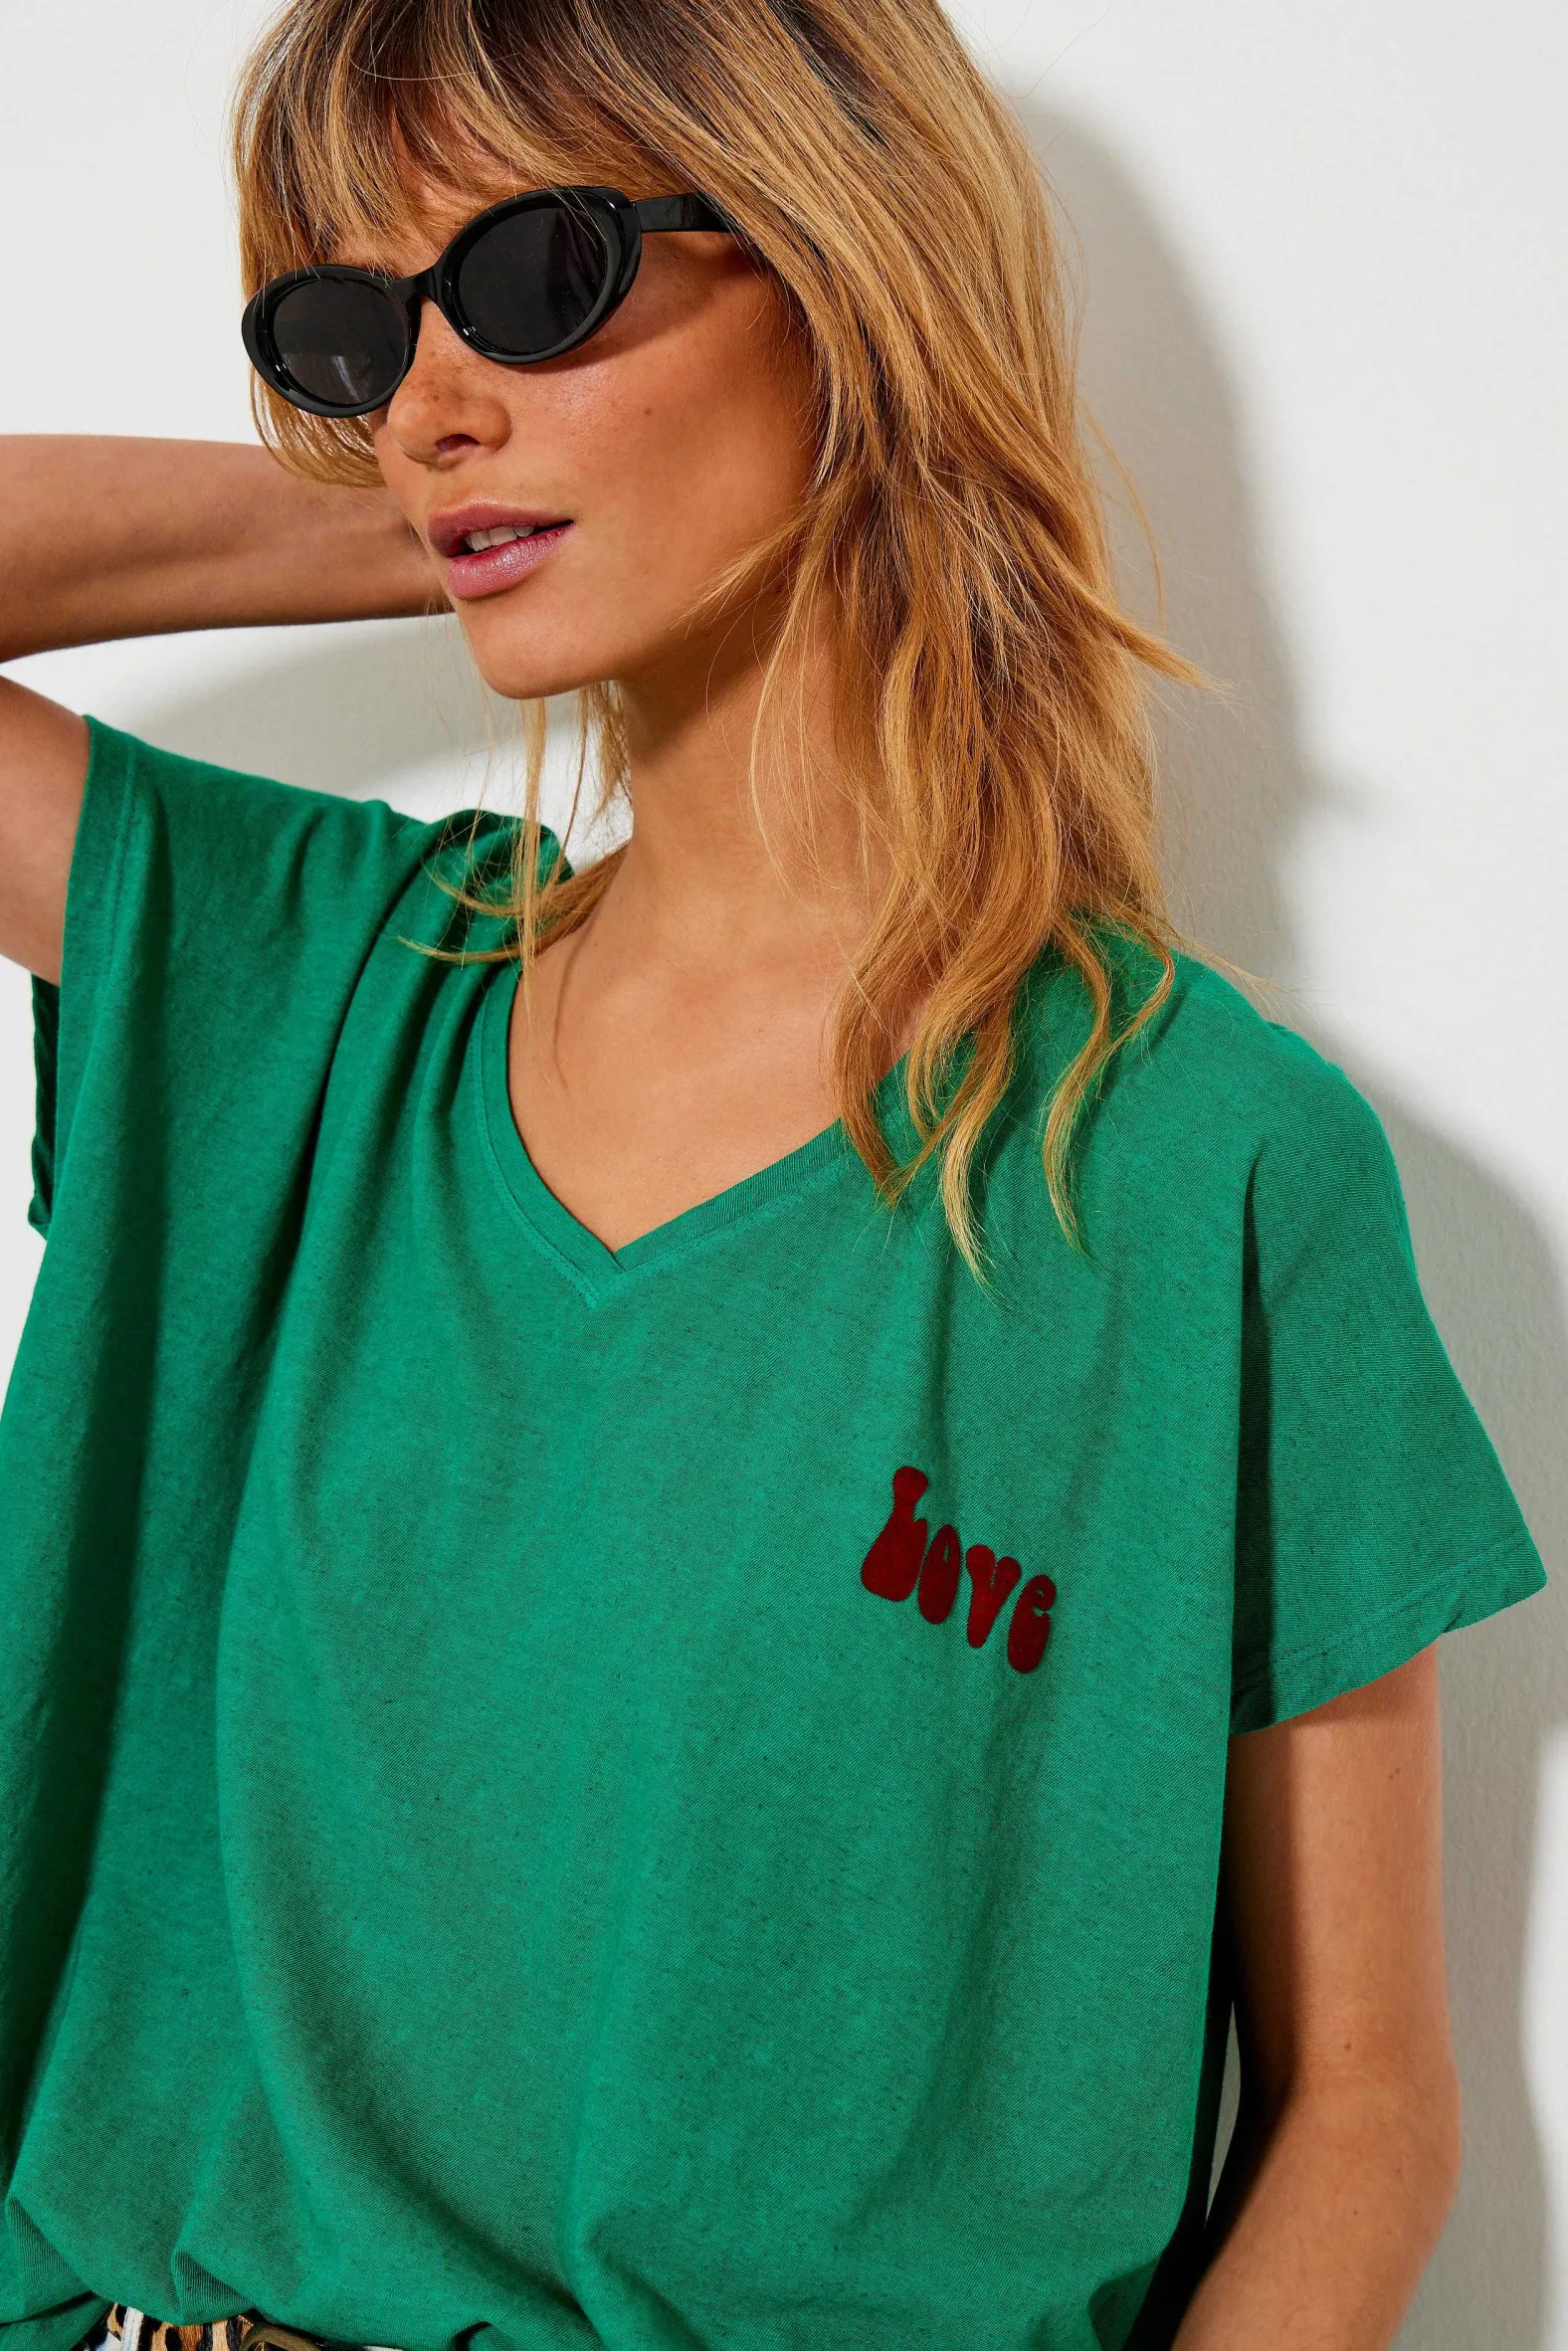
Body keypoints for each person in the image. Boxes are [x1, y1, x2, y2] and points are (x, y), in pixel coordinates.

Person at [0, 1, 1546, 2347]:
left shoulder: (1204, 1161)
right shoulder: (321, 995)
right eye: (351, 335)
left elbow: (1363, 2108)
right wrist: (444, 502)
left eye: (534, 280)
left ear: (851, 279)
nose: (423, 397)